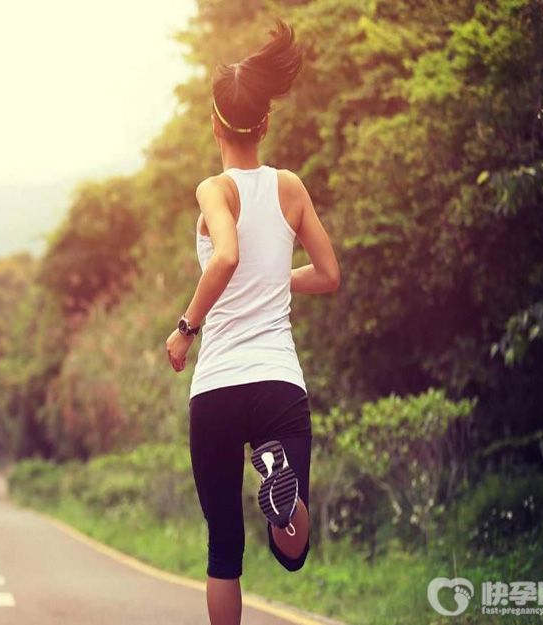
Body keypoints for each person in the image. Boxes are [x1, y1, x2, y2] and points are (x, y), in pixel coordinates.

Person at [164, 18, 340, 625]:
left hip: (217, 388)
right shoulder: (290, 187)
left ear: (214, 123)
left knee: (223, 554)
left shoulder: (214, 190)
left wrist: (185, 330)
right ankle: (282, 494)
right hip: (277, 383)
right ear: (265, 123)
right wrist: (279, 281)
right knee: (291, 552)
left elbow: (228, 255)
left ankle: (278, 488)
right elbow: (329, 274)